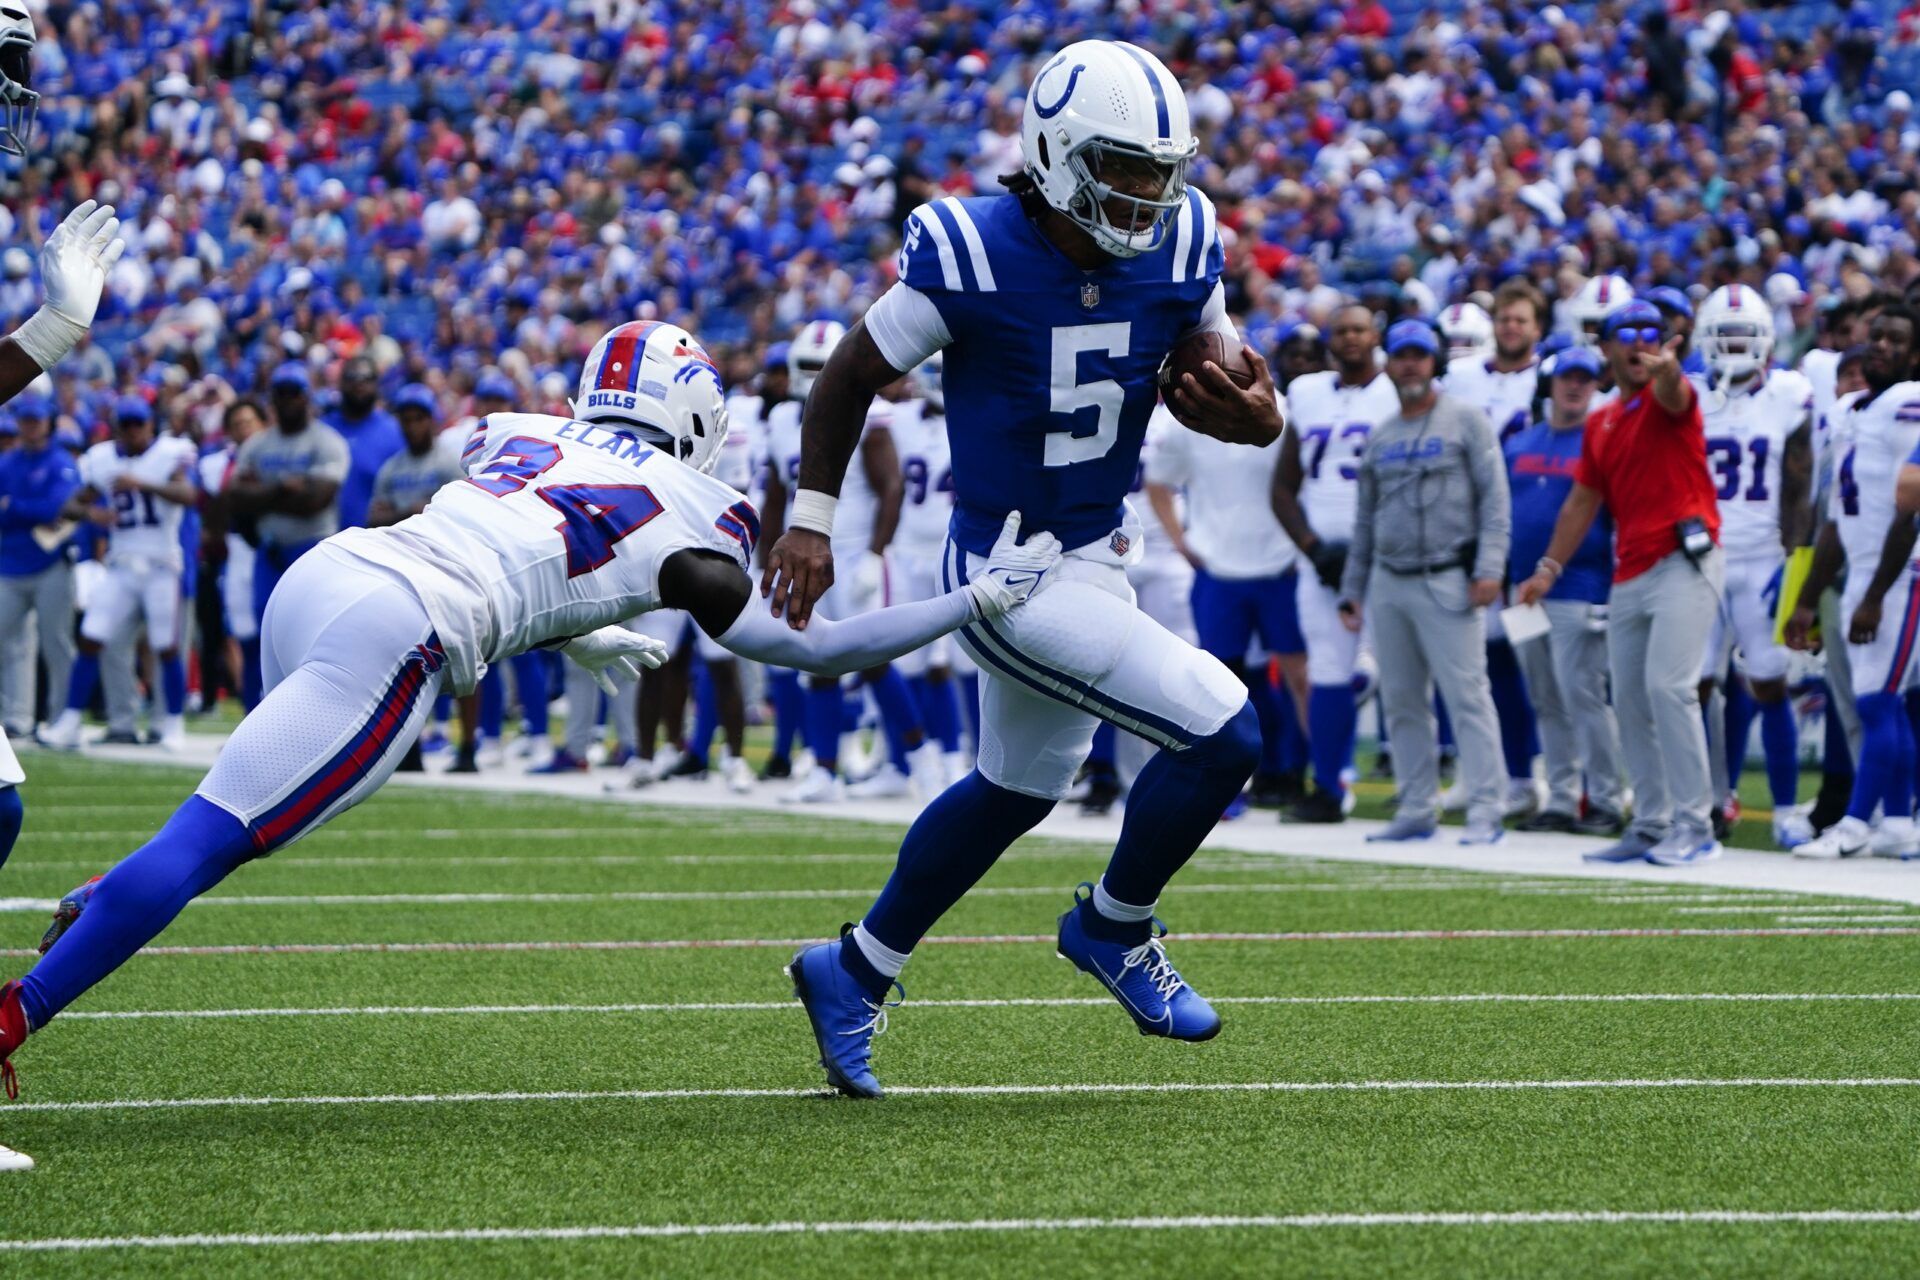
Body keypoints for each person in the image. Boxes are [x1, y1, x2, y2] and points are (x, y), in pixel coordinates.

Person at [3, 322, 1063, 1100]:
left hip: (331, 575)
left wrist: (572, 617)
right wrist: (968, 600)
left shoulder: (520, 430)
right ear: (695, 413)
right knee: (212, 841)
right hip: (404, 629)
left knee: (242, 817)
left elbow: (527, 528)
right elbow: (815, 647)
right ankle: (18, 1011)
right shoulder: (704, 515)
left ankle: (109, 893)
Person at [761, 41, 1278, 1098]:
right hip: (1011, 569)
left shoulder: (1182, 238)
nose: (1144, 194)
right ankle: (1114, 926)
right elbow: (852, 373)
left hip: (1100, 549)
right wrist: (811, 518)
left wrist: (1257, 415)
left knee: (1013, 789)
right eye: (1121, 168)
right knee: (1225, 729)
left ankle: (853, 969)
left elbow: (1225, 372)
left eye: (1157, 170)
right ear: (1055, 154)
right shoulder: (969, 247)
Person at [1517, 300, 1724, 867]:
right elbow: (1583, 500)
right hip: (1629, 569)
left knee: (1669, 689)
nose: (1639, 344)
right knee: (1630, 698)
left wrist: (1670, 372)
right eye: (1626, 336)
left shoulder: (1668, 396)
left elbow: (1676, 395)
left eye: (1650, 335)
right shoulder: (1604, 421)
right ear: (1607, 348)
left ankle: (1695, 826)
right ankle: (1652, 823)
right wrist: (1548, 569)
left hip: (1684, 559)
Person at [1338, 320, 1510, 844]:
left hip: (1449, 577)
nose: (1411, 365)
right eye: (1403, 356)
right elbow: (1365, 519)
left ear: (1435, 362)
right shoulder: (1383, 433)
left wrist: (1490, 568)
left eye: (1420, 355)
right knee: (1402, 699)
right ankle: (1416, 807)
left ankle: (1486, 807)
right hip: (1390, 580)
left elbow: (1495, 500)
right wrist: (1353, 586)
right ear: (1390, 363)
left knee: (1467, 695)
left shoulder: (1467, 421)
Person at [762, 324, 938, 803]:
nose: (818, 376)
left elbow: (892, 488)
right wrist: (766, 562)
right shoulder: (780, 419)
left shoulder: (871, 413)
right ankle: (824, 769)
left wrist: (876, 555)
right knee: (816, 657)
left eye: (826, 366)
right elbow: (776, 498)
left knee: (873, 659)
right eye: (810, 368)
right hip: (806, 558)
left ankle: (920, 758)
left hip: (858, 555)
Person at [1784, 306, 1920, 858]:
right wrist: (1807, 598)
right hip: (1864, 566)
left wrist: (1872, 596)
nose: (1882, 345)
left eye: (1896, 340)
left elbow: (1910, 512)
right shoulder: (1850, 410)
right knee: (1885, 702)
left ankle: (1856, 823)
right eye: (1877, 336)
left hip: (1901, 571)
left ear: (1914, 356)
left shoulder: (1908, 401)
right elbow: (1838, 518)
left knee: (1877, 702)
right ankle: (1898, 824)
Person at [1690, 285, 1815, 850]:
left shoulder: (1789, 393)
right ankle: (1710, 801)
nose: (1736, 347)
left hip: (1762, 557)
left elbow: (1799, 484)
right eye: (1726, 336)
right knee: (1692, 688)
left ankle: (1787, 810)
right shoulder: (1689, 393)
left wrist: (1793, 563)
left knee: (1770, 683)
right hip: (1701, 559)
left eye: (1745, 336)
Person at [1146, 381, 1306, 812]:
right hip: (1217, 566)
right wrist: (1181, 541)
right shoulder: (1191, 421)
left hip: (1281, 562)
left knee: (1300, 678)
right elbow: (1157, 481)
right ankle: (1230, 785)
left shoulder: (1287, 411)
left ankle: (1306, 775)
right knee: (1221, 686)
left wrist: (1304, 542)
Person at [1271, 302, 1400, 821]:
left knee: (1406, 672)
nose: (1350, 339)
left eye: (1359, 330)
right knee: (1326, 668)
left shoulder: (1398, 393)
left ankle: (1419, 785)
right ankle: (1329, 785)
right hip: (1321, 559)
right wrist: (1311, 546)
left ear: (1376, 337)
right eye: (1341, 331)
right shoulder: (1306, 393)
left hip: (1390, 555)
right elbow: (1281, 488)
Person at [1503, 345, 1626, 834]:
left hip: (1582, 583)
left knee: (1584, 694)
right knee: (1545, 696)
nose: (1576, 386)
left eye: (1586, 378)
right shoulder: (1519, 443)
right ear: (1549, 382)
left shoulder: (1601, 442)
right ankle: (1560, 796)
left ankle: (1606, 798)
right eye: (1568, 378)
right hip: (1524, 590)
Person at [42, 396, 199, 752]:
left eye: (137, 424)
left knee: (167, 645)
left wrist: (142, 483)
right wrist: (91, 514)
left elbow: (188, 493)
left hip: (162, 564)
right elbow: (71, 505)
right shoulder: (103, 459)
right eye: (125, 425)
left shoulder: (169, 454)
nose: (131, 432)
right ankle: (68, 721)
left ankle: (172, 723)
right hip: (122, 563)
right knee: (92, 636)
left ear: (149, 425)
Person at [226, 362, 351, 688]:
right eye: (280, 394)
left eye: (293, 394)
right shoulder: (258, 444)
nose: (287, 401)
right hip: (270, 549)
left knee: (310, 636)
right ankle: (258, 718)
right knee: (262, 632)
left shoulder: (326, 441)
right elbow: (236, 496)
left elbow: (317, 501)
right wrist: (283, 488)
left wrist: (263, 494)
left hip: (313, 545)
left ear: (306, 397)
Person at [0, 394, 76, 737]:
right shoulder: (8, 462)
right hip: (10, 562)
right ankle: (16, 717)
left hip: (51, 565)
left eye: (36, 420)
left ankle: (62, 718)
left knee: (56, 643)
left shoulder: (61, 461)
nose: (30, 426)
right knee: (6, 641)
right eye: (26, 420)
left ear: (48, 421)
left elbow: (55, 508)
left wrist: (12, 508)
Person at [322, 354, 406, 530]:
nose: (358, 384)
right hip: (323, 540)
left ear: (377, 384)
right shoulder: (322, 430)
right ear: (340, 382)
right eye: (351, 378)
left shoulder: (396, 432)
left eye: (366, 378)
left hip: (375, 540)